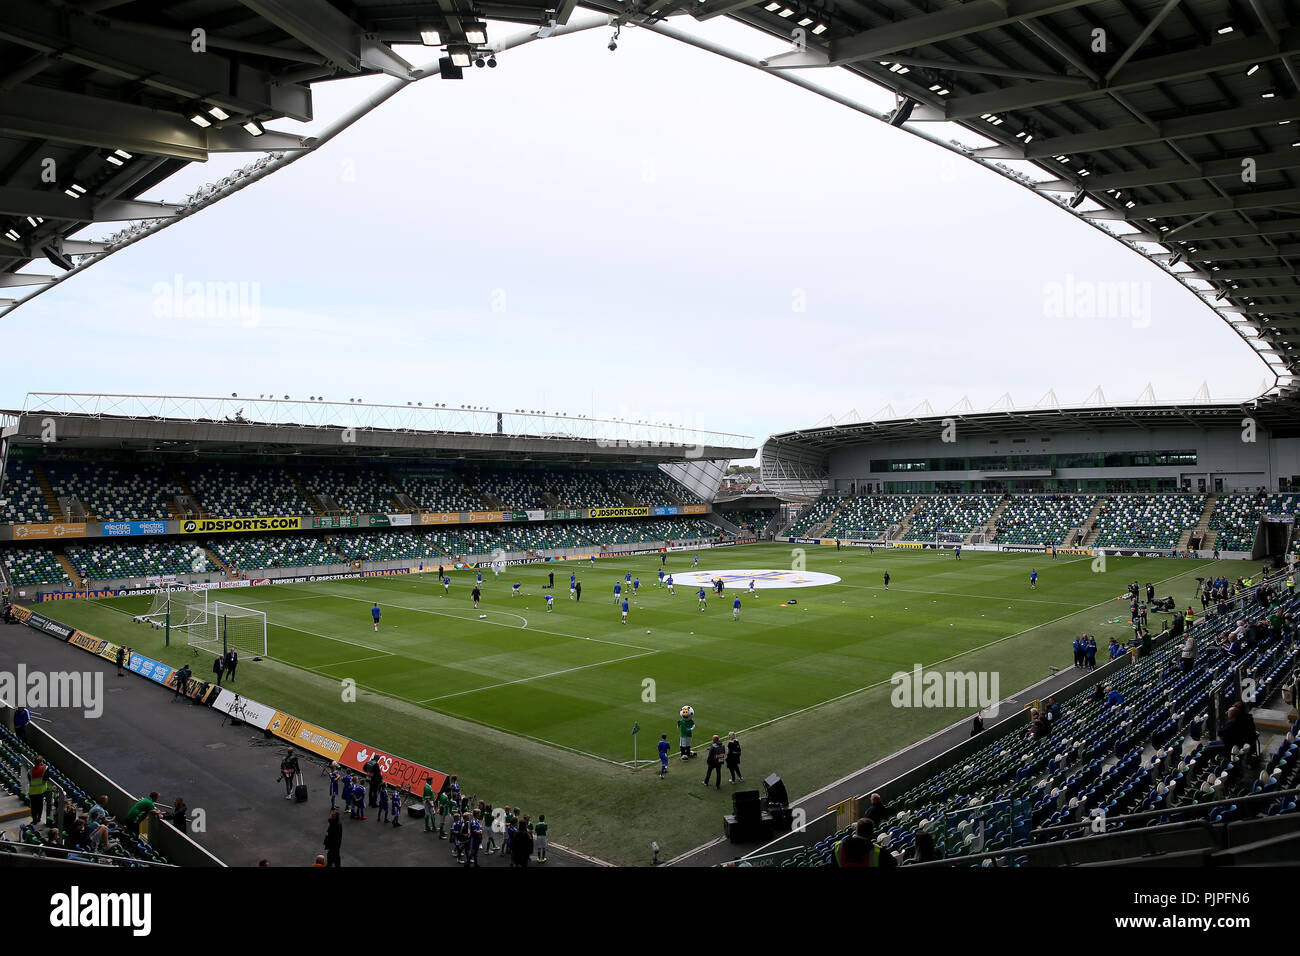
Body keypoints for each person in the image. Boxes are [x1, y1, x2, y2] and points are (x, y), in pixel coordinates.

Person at [27, 755, 48, 824]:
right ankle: (39, 818)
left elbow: (29, 780)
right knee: (40, 805)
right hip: (41, 791)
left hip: (32, 792)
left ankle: (34, 820)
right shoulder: (45, 768)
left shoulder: (30, 771)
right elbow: (46, 779)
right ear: (41, 762)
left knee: (34, 807)